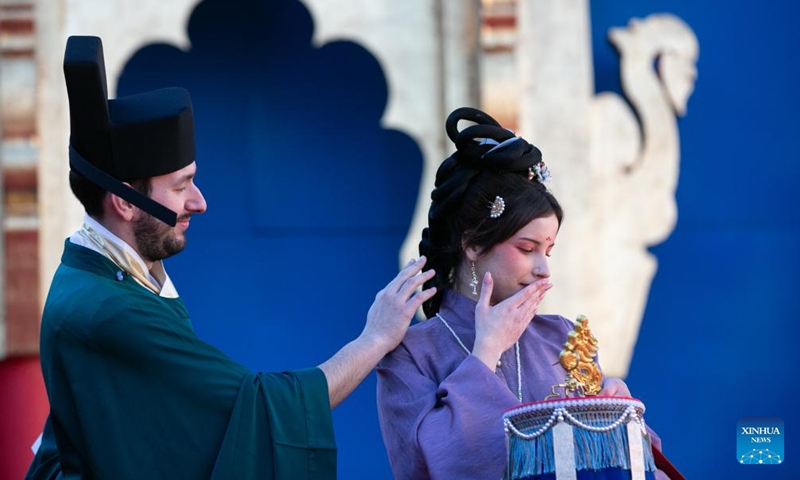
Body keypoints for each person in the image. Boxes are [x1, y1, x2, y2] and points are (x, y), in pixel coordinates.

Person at [25, 35, 435, 480]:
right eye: (181, 187)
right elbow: (260, 404)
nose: (199, 203)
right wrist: (375, 338)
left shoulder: (105, 272)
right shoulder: (108, 307)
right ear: (123, 203)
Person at [376, 107, 669, 479]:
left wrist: (616, 420)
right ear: (473, 245)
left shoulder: (562, 337)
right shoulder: (411, 353)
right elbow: (425, 465)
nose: (543, 269)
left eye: (548, 252)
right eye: (526, 248)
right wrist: (485, 353)